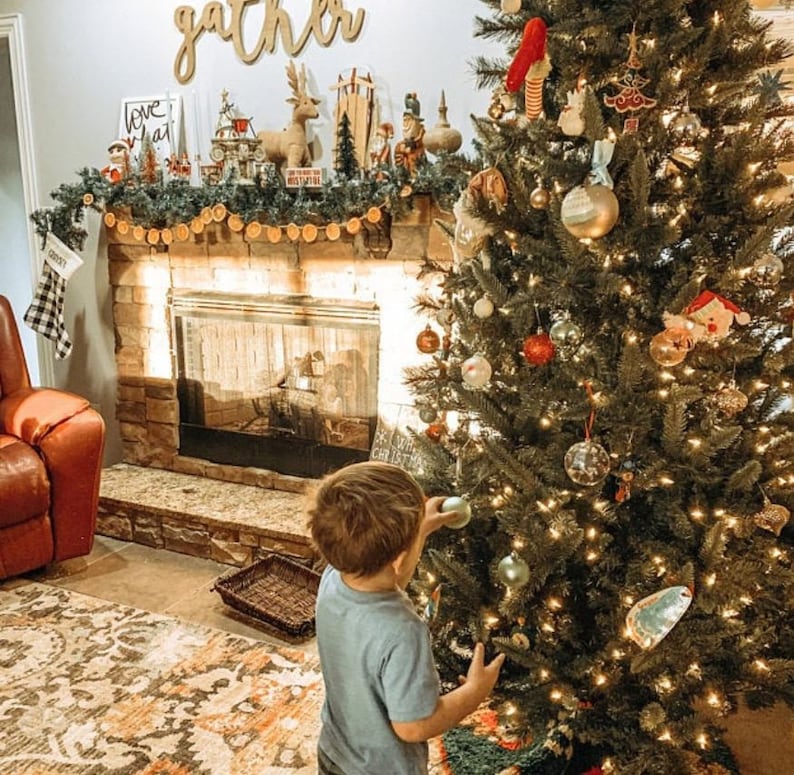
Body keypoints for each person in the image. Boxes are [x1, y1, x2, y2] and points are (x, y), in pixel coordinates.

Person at [306, 460, 506, 774]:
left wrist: (418, 531)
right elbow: (412, 727)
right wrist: (473, 693)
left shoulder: (333, 578)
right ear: (399, 557)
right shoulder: (403, 630)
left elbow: (387, 578)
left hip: (335, 753)